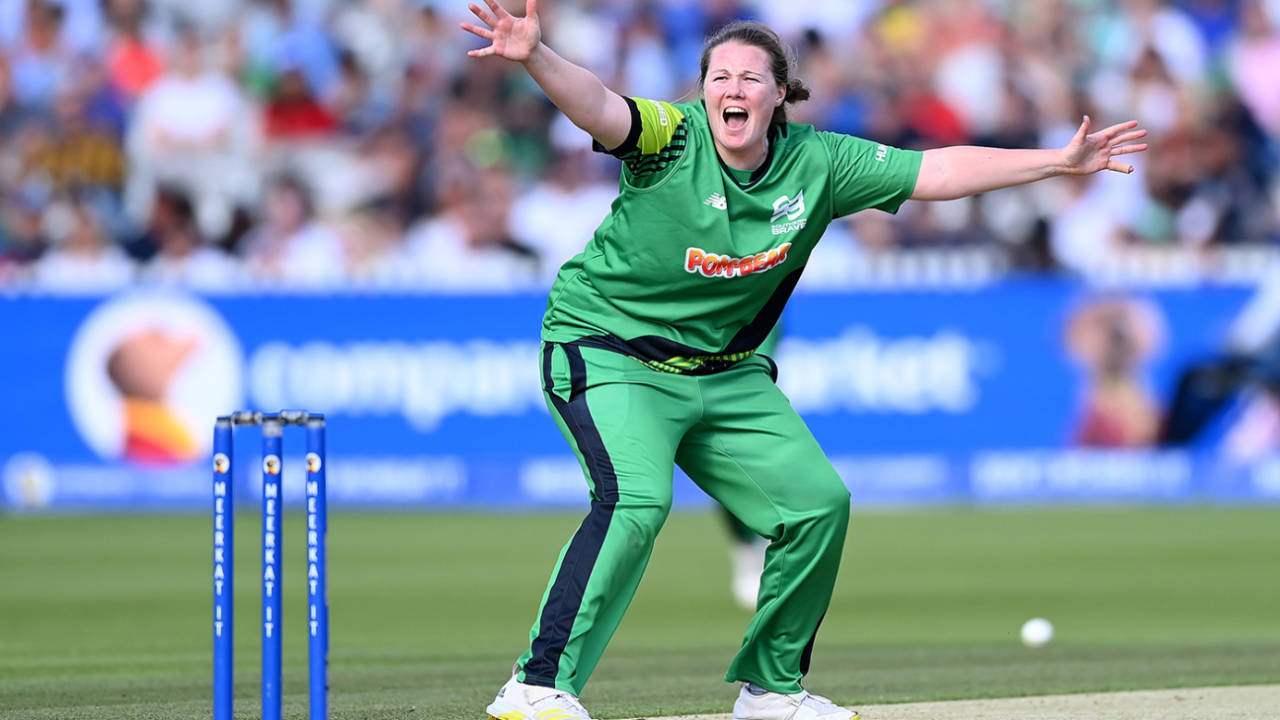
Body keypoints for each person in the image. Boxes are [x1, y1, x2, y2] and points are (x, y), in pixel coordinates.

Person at [461, 2, 1148, 719]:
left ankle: (770, 691)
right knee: (637, 500)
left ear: (780, 95)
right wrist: (537, 57)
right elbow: (601, 107)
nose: (733, 90)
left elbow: (935, 171)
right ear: (702, 92)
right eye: (719, 77)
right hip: (608, 350)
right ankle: (536, 686)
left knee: (817, 505)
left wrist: (1058, 162)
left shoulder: (817, 162)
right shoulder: (671, 136)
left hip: (723, 371)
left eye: (752, 79)